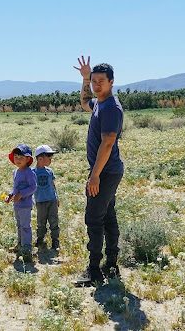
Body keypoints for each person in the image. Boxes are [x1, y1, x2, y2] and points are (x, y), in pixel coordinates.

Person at [73, 56, 124, 286]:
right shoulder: (99, 104)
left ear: (111, 82)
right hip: (107, 171)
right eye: (94, 81)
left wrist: (94, 176)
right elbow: (85, 102)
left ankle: (94, 271)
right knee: (108, 216)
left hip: (105, 172)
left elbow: (108, 143)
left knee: (94, 218)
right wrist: (84, 77)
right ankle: (111, 264)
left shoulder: (111, 108)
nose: (96, 85)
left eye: (101, 81)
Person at [5, 144, 37, 262]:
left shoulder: (28, 173)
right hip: (17, 204)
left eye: (21, 157)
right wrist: (10, 195)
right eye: (16, 157)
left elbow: (33, 187)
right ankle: (20, 244)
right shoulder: (16, 172)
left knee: (25, 226)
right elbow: (15, 187)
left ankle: (27, 248)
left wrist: (21, 194)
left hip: (25, 205)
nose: (18, 160)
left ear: (28, 159)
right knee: (19, 225)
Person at [33, 144, 60, 250]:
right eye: (49, 158)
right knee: (41, 221)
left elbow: (53, 184)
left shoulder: (49, 171)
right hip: (40, 201)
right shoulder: (32, 172)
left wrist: (57, 197)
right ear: (40, 158)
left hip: (51, 200)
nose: (51, 160)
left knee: (54, 221)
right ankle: (40, 238)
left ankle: (55, 241)